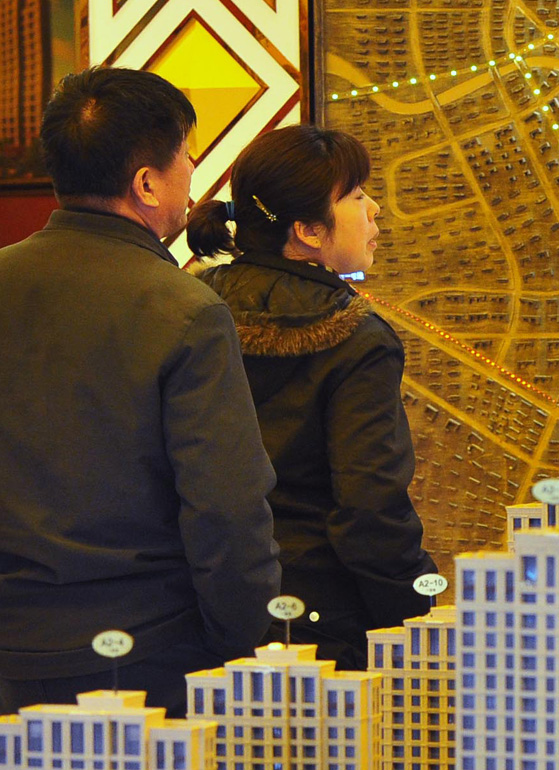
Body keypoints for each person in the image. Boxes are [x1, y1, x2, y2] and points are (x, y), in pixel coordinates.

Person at [0, 67, 281, 716]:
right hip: (149, 658)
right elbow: (226, 511)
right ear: (147, 183)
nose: (193, 170)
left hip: (8, 653)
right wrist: (245, 650)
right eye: (187, 154)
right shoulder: (186, 310)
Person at [186, 124, 436, 669]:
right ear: (307, 230)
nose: (374, 210)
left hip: (200, 608)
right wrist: (419, 617)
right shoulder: (358, 338)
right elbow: (370, 511)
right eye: (356, 196)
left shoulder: (189, 312)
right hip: (322, 620)